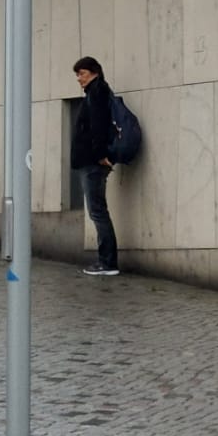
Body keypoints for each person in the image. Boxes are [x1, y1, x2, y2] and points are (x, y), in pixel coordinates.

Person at [70, 56, 119, 276]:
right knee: (98, 211)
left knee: (97, 212)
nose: (79, 78)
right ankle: (107, 261)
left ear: (94, 72)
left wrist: (100, 155)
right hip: (91, 161)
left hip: (93, 163)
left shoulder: (97, 93)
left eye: (82, 73)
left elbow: (98, 127)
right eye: (77, 74)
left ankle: (107, 263)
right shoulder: (95, 92)